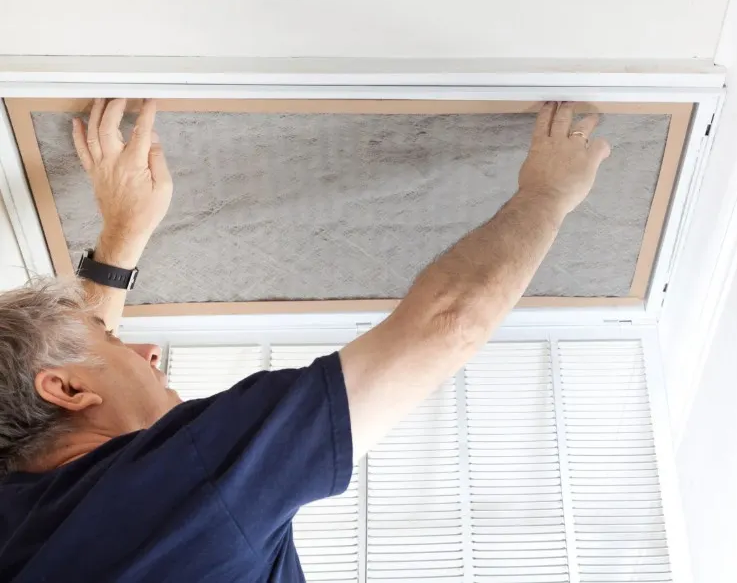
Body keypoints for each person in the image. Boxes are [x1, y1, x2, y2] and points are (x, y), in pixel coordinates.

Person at [0, 98, 610, 581]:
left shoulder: (169, 483)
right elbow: (447, 319)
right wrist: (547, 193)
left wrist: (120, 244)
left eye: (115, 337)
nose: (148, 351)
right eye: (115, 340)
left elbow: (451, 323)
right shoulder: (182, 483)